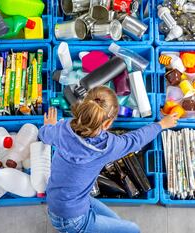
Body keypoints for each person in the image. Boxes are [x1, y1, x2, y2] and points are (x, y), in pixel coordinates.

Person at [38, 86, 179, 233]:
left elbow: (43, 134)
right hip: (71, 219)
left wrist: (49, 127)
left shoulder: (61, 129)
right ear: (106, 124)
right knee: (132, 229)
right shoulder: (106, 146)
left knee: (117, 221)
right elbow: (136, 140)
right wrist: (161, 124)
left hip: (62, 201)